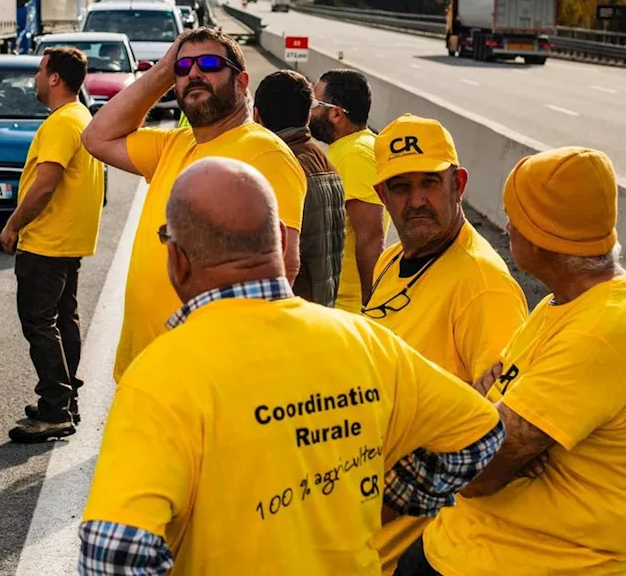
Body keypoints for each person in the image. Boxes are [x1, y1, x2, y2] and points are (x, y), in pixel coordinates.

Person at [78, 158, 505, 575]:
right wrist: (382, 499)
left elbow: (113, 554)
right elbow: (481, 435)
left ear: (177, 259)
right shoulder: (364, 342)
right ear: (282, 242)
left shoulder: (163, 374)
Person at [405, 147, 626, 576]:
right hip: (470, 542)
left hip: (524, 562)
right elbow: (490, 401)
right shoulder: (573, 303)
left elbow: (480, 471)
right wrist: (491, 422)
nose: (507, 226)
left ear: (539, 238)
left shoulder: (601, 334)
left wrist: (473, 424)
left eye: (515, 215)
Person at [82, 28, 307, 382]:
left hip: (210, 376)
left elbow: (286, 265)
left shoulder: (265, 152)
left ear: (241, 80)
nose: (194, 74)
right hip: (149, 369)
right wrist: (161, 71)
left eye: (210, 64)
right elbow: (96, 136)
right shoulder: (174, 144)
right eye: (184, 67)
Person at [361, 115, 529, 571]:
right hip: (363, 521)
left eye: (429, 183)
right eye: (400, 187)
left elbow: (498, 438)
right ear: (382, 196)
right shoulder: (392, 260)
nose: (416, 201)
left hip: (416, 543)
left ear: (458, 184)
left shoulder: (482, 284)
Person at [0, 47, 104, 443]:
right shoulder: (82, 117)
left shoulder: (61, 123)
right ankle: (63, 399)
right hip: (68, 241)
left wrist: (13, 225)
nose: (37, 79)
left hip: (46, 241)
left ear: (56, 78)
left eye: (41, 71)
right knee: (63, 321)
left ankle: (56, 410)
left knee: (39, 323)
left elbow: (46, 182)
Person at [253, 69, 344, 306]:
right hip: (324, 310)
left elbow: (283, 263)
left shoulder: (278, 167)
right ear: (307, 116)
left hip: (291, 315)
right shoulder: (326, 163)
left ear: (256, 116)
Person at [311, 69, 388, 313]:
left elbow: (370, 236)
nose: (309, 111)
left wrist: (372, 308)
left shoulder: (355, 154)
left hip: (349, 308)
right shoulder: (347, 149)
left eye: (315, 103)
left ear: (335, 113)